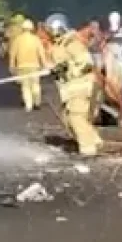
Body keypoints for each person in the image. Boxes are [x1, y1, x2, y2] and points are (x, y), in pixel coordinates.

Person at [45, 14, 103, 156]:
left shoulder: (71, 42)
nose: (50, 33)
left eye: (51, 30)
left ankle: (88, 151)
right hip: (70, 90)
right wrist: (55, 70)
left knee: (77, 118)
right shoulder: (60, 45)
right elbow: (62, 65)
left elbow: (86, 62)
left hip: (80, 87)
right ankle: (95, 141)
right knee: (68, 119)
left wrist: (68, 71)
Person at [8, 18, 48, 112]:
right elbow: (41, 53)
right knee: (35, 85)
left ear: (23, 28)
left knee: (25, 86)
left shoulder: (18, 40)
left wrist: (11, 66)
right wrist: (44, 65)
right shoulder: (36, 39)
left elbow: (13, 53)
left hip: (22, 67)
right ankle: (37, 103)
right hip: (35, 66)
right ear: (32, 28)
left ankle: (28, 105)